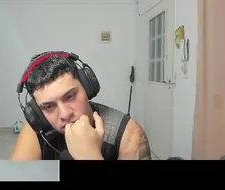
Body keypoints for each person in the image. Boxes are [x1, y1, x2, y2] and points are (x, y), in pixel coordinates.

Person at [10, 51, 151, 160]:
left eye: (70, 96)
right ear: (37, 113)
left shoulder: (128, 134)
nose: (65, 114)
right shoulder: (36, 131)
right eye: (49, 107)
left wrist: (90, 157)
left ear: (87, 88)